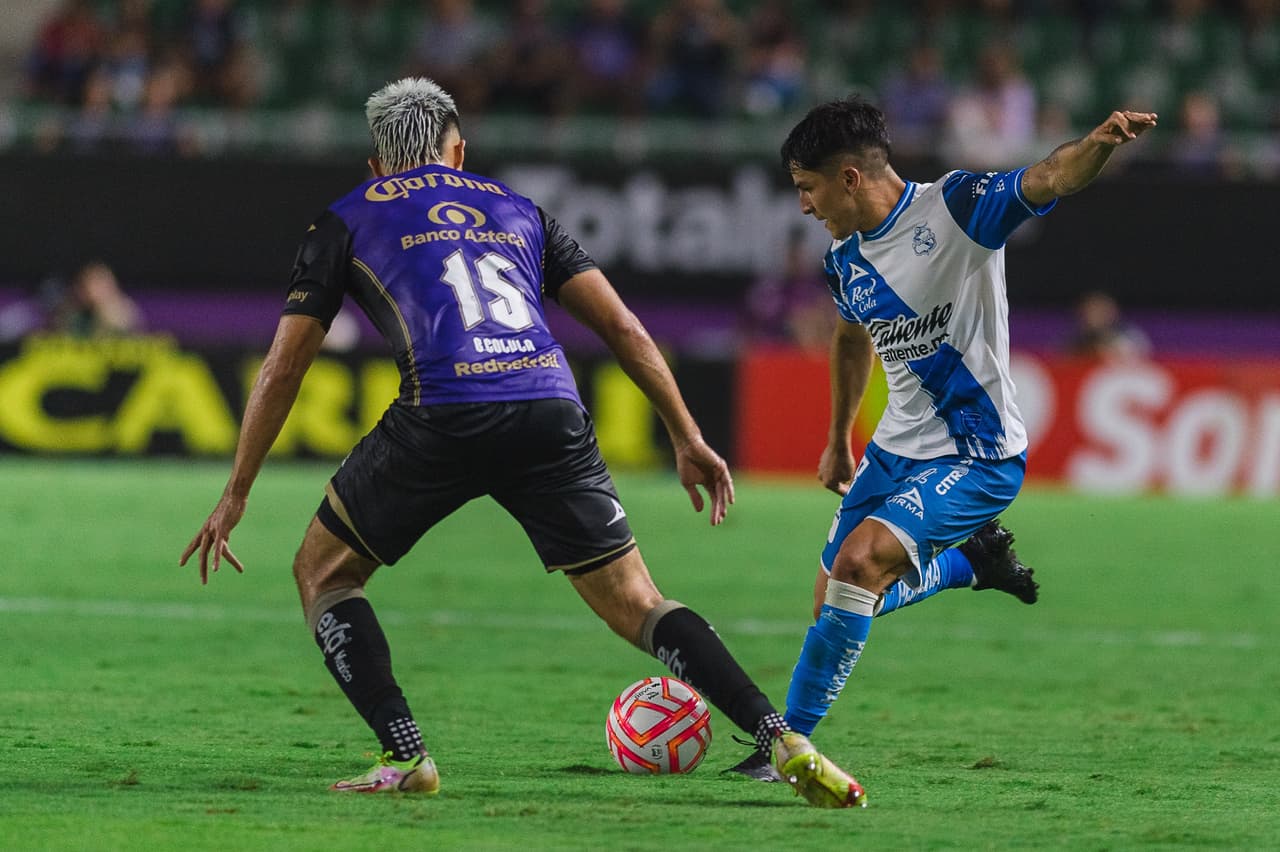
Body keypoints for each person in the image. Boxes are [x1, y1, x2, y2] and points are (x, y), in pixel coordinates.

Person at [179, 77, 866, 808]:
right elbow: (624, 328)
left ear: (376, 165)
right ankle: (779, 736)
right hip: (549, 408)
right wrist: (687, 433)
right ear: (459, 152)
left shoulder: (344, 219)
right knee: (637, 602)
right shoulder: (518, 208)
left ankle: (404, 754)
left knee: (324, 574)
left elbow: (286, 363)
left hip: (440, 412)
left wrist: (237, 491)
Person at [730, 96, 1157, 779]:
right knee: (834, 600)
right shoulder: (846, 260)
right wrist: (839, 436)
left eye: (807, 189)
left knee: (859, 569)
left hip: (979, 453)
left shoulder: (955, 207)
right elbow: (849, 337)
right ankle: (969, 565)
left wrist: (1101, 142)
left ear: (848, 177)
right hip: (895, 449)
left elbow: (1050, 176)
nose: (804, 206)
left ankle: (784, 751)